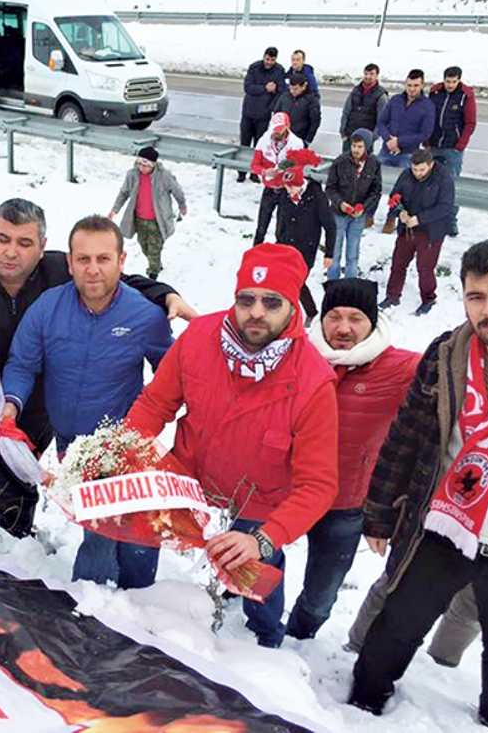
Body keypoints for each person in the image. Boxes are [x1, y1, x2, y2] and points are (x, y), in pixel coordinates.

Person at [0, 198, 195, 537]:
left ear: (42, 247)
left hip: (30, 405)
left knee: (13, 481)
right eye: (3, 239)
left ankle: (16, 540)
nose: (11, 252)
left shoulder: (60, 271)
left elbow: (116, 279)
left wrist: (166, 294)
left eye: (24, 243)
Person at [350, 237, 488, 733]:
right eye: (476, 297)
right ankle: (356, 708)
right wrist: (378, 512)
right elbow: (407, 436)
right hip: (443, 528)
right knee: (395, 628)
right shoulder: (448, 354)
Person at [125, 243, 339, 648]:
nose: (256, 312)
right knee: (141, 537)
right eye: (247, 299)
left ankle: (266, 637)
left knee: (258, 580)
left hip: (257, 510)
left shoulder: (314, 382)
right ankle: (131, 609)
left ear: (293, 307)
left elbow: (318, 484)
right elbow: (156, 403)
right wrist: (120, 450)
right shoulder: (199, 337)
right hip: (187, 483)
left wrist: (263, 539)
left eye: (271, 302)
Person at [0, 215, 172, 587]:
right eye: (83, 259)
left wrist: (143, 425)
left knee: (104, 527)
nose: (93, 270)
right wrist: (10, 404)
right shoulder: (48, 307)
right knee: (97, 521)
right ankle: (122, 593)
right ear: (70, 262)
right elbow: (23, 363)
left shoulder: (145, 316)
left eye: (103, 259)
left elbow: (172, 376)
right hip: (69, 442)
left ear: (121, 261)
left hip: (119, 444)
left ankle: (100, 595)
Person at [285, 279, 419, 640]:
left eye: (356, 318)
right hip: (284, 490)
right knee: (253, 562)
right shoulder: (295, 355)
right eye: (335, 316)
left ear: (372, 322)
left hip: (345, 503)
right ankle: (247, 619)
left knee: (321, 593)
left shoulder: (402, 368)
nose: (343, 328)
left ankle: (299, 639)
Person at [379, 148, 455, 316]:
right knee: (398, 263)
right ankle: (392, 295)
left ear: (431, 165)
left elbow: (445, 206)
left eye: (422, 170)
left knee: (425, 267)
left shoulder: (444, 178)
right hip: (408, 228)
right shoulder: (406, 175)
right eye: (414, 169)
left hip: (431, 230)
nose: (418, 173)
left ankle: (428, 298)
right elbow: (394, 196)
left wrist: (419, 219)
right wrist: (400, 212)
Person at [272, 157, 335, 326]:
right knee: (287, 280)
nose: (288, 190)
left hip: (306, 249)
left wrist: (329, 253)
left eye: (291, 186)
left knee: (295, 281)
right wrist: (278, 241)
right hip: (285, 246)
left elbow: (330, 226)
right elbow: (281, 219)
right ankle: (308, 311)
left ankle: (296, 314)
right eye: (286, 186)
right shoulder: (286, 195)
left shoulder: (317, 197)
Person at [108, 147, 187, 280]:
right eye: (140, 164)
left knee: (155, 247)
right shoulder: (132, 175)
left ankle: (153, 273)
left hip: (157, 220)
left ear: (153, 164)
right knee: (144, 246)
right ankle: (155, 263)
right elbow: (124, 193)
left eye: (146, 165)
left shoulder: (164, 176)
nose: (143, 168)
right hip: (139, 218)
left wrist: (182, 206)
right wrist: (115, 209)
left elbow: (177, 191)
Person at [374, 69, 436, 232]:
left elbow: (425, 133)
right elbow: (381, 122)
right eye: (409, 85)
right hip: (386, 149)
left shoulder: (427, 106)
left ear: (422, 85)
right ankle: (368, 214)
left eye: (416, 86)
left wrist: (399, 141)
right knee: (373, 181)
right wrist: (389, 140)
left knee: (401, 189)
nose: (412, 89)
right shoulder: (395, 101)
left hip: (408, 153)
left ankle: (391, 218)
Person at [325, 128, 383, 280]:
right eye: (354, 146)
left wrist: (364, 207)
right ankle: (332, 281)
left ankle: (350, 281)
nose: (356, 150)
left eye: (360, 147)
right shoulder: (340, 162)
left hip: (358, 215)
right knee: (335, 251)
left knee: (353, 252)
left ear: (367, 147)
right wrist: (340, 203)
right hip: (339, 213)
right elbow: (330, 188)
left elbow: (376, 191)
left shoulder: (374, 164)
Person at [428, 66, 477, 236]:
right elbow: (428, 116)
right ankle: (430, 217)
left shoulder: (466, 96)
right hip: (434, 144)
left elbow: (470, 123)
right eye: (447, 81)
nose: (450, 85)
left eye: (453, 81)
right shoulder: (435, 92)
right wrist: (427, 140)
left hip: (452, 147)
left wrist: (460, 145)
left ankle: (451, 220)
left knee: (451, 184)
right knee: (430, 182)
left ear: (459, 80)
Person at [251, 112, 305, 246]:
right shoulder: (264, 140)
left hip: (285, 190)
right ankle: (256, 250)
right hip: (269, 189)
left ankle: (279, 254)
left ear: (287, 127)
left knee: (282, 228)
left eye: (279, 129)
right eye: (273, 129)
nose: (275, 133)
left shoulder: (296, 143)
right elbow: (254, 165)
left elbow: (298, 168)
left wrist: (286, 174)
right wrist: (264, 171)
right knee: (261, 225)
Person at [238, 47, 286, 183]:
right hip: (248, 112)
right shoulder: (254, 68)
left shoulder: (279, 71)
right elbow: (248, 87)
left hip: (264, 115)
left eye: (272, 60)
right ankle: (241, 172)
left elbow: (280, 92)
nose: (269, 62)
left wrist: (270, 108)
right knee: (245, 143)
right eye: (267, 59)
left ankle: (255, 172)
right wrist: (265, 88)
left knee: (259, 146)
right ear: (264, 57)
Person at [340, 64, 389, 156]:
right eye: (366, 73)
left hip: (365, 140)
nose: (368, 77)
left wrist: (372, 138)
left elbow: (381, 121)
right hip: (350, 136)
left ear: (377, 75)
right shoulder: (356, 91)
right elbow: (346, 112)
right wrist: (343, 132)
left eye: (371, 74)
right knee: (345, 165)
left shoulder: (381, 96)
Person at [272, 73, 321, 147]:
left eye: (296, 89)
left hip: (299, 138)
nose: (292, 91)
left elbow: (315, 121)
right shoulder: (285, 96)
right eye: (291, 88)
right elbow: (277, 113)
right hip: (282, 136)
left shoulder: (311, 100)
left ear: (304, 86)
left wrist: (308, 140)